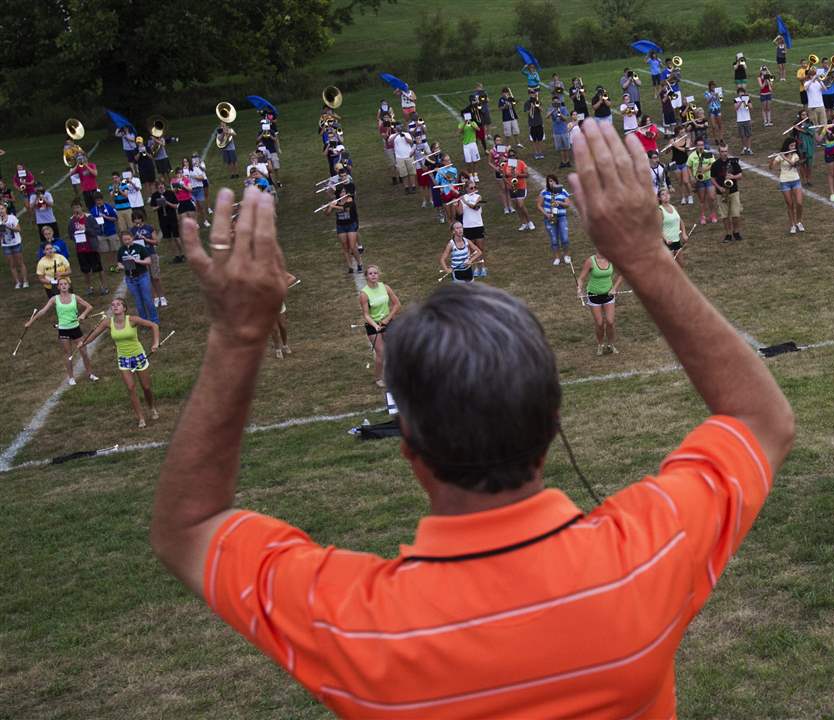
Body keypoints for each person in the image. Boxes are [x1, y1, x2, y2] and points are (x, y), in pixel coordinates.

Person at [149, 137, 795, 718]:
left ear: (411, 452)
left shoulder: (371, 632)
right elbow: (760, 418)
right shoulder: (640, 564)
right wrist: (647, 257)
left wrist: (237, 336)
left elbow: (188, 527)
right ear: (553, 424)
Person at [79, 297, 160, 425]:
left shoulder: (132, 320)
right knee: (130, 388)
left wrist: (155, 343)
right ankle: (141, 418)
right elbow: (94, 335)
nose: (115, 306)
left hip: (138, 356)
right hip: (123, 359)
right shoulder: (108, 322)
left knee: (146, 387)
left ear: (124, 308)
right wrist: (83, 343)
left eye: (118, 304)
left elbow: (154, 325)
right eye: (113, 305)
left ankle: (152, 408)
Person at [24, 277, 99, 385]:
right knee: (68, 354)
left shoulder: (74, 297)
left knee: (84, 353)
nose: (64, 286)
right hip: (63, 330)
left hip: (76, 328)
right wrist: (30, 322)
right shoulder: (55, 299)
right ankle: (71, 378)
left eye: (65, 284)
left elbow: (89, 306)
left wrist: (83, 315)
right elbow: (43, 311)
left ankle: (90, 374)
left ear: (69, 286)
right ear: (58, 287)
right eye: (61, 284)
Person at [359, 265, 401, 387]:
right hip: (373, 325)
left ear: (379, 275)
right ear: (366, 276)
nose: (373, 275)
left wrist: (387, 319)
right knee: (381, 352)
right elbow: (366, 314)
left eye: (375, 273)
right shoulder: (364, 294)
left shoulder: (385, 287)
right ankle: (378, 378)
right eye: (370, 273)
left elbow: (397, 304)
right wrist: (375, 325)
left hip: (388, 321)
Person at [576, 250, 623, 355]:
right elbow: (581, 278)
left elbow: (621, 274)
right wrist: (579, 289)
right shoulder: (590, 261)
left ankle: (611, 345)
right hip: (594, 295)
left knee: (610, 322)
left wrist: (615, 288)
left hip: (608, 295)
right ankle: (600, 345)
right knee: (599, 323)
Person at [117, 230, 159, 323]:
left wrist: (137, 260)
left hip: (142, 276)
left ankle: (155, 321)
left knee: (147, 299)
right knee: (138, 302)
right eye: (125, 240)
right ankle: (144, 321)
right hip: (130, 278)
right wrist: (121, 266)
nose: (127, 241)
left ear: (132, 238)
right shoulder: (121, 250)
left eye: (128, 239)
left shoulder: (140, 248)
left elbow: (148, 261)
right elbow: (119, 262)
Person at [326, 175, 362, 274]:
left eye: (344, 192)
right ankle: (350, 266)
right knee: (345, 246)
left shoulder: (350, 200)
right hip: (341, 225)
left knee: (352, 246)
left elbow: (346, 208)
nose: (343, 194)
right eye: (341, 192)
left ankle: (359, 263)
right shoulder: (335, 201)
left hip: (351, 224)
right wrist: (330, 207)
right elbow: (327, 214)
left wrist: (335, 206)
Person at [69, 201, 107, 295]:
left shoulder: (89, 218)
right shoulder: (71, 221)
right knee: (85, 270)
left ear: (81, 207)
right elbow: (70, 234)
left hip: (91, 248)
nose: (76, 210)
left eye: (77, 207)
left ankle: (104, 286)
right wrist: (76, 236)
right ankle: (89, 287)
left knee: (98, 268)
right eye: (74, 208)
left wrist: (85, 229)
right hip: (80, 249)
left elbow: (97, 231)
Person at [131, 211, 166, 307]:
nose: (137, 220)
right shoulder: (132, 230)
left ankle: (162, 297)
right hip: (141, 257)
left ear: (142, 218)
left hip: (151, 254)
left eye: (138, 218)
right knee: (148, 278)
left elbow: (156, 242)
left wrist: (146, 239)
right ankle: (154, 297)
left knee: (156, 277)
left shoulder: (149, 228)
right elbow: (130, 243)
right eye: (135, 219)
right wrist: (134, 239)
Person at [770, 139, 805, 234]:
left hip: (796, 181)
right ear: (787, 146)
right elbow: (771, 168)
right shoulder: (780, 156)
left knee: (799, 203)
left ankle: (799, 222)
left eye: (794, 146)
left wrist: (784, 158)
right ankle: (792, 224)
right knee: (790, 205)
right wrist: (773, 159)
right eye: (791, 146)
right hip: (785, 182)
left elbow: (794, 165)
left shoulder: (795, 155)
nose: (793, 148)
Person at [711, 144, 744, 243]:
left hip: (733, 191)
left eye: (726, 151)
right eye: (722, 151)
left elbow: (740, 175)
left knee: (736, 214)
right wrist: (719, 187)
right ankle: (728, 234)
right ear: (719, 152)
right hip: (721, 193)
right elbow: (712, 178)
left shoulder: (733, 163)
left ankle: (736, 232)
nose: (724, 153)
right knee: (724, 216)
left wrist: (732, 177)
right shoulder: (715, 164)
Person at [537, 174, 571, 266]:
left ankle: (567, 255)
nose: (551, 182)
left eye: (553, 181)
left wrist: (559, 202)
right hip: (549, 218)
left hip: (561, 217)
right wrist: (546, 214)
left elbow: (568, 204)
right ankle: (557, 257)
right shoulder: (544, 192)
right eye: (550, 181)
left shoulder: (562, 191)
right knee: (554, 239)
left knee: (565, 238)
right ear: (547, 182)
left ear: (557, 181)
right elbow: (539, 205)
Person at [460, 179, 488, 278]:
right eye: (471, 188)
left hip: (478, 225)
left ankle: (483, 267)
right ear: (466, 188)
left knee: (480, 248)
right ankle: (476, 268)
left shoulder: (478, 197)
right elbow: (460, 213)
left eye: (475, 187)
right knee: (472, 250)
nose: (473, 189)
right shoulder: (462, 198)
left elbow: (475, 207)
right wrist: (458, 203)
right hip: (467, 226)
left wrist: (465, 202)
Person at [500, 149, 533, 231]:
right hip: (512, 187)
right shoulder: (506, 165)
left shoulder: (521, 163)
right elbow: (504, 176)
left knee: (521, 205)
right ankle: (523, 223)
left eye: (513, 155)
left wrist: (518, 175)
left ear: (516, 155)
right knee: (517, 207)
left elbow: (527, 175)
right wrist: (508, 184)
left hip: (521, 186)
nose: (512, 157)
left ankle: (529, 222)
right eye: (510, 156)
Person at [150, 180, 183, 264]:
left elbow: (176, 206)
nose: (160, 186)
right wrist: (159, 205)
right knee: (168, 239)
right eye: (159, 185)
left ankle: (182, 253)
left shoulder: (170, 193)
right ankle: (176, 256)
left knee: (176, 237)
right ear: (157, 187)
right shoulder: (154, 195)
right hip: (162, 219)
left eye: (162, 185)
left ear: (164, 185)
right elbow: (153, 208)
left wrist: (167, 202)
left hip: (172, 217)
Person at [687, 140, 716, 225]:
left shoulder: (708, 153)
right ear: (696, 146)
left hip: (709, 178)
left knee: (711, 197)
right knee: (702, 200)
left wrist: (705, 169)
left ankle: (712, 214)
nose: (701, 147)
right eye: (699, 145)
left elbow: (713, 164)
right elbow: (688, 166)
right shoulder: (692, 156)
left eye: (702, 145)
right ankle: (703, 216)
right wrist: (691, 177)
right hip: (699, 180)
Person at [0, 201, 29, 288]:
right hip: (6, 245)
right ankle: (17, 282)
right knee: (12, 265)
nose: (1, 211)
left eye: (2, 209)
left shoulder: (12, 217)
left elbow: (18, 229)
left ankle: (25, 281)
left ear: (5, 209)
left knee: (20, 262)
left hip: (16, 243)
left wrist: (8, 227)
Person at [90, 192, 120, 272]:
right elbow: (91, 222)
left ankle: (117, 265)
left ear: (102, 199)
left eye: (99, 200)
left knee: (114, 250)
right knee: (105, 252)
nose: (98, 202)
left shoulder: (109, 207)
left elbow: (115, 218)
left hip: (111, 232)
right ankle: (111, 266)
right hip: (100, 234)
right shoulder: (93, 210)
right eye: (96, 200)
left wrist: (105, 217)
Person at [658, 188, 688, 266]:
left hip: (676, 240)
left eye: (667, 194)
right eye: (663, 194)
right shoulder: (660, 211)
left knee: (681, 264)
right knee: (669, 267)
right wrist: (666, 239)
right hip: (667, 243)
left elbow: (680, 222)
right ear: (659, 198)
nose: (666, 196)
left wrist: (684, 234)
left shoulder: (674, 208)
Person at [793, 110, 815, 186]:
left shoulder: (810, 123)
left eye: (805, 115)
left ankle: (809, 179)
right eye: (802, 115)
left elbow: (811, 132)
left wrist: (799, 129)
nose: (804, 116)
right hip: (800, 146)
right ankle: (804, 180)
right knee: (802, 164)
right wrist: (795, 129)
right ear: (800, 116)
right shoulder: (796, 124)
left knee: (809, 164)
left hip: (809, 145)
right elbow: (793, 136)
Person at [458, 111, 482, 181]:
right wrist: (465, 123)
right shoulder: (461, 124)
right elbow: (460, 131)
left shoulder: (473, 123)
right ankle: (470, 175)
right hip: (466, 145)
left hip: (473, 144)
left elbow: (478, 129)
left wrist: (471, 123)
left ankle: (475, 174)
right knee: (468, 161)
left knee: (475, 161)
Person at [548, 99, 572, 169]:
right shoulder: (551, 108)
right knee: (561, 148)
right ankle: (563, 161)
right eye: (555, 102)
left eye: (557, 102)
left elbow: (566, 118)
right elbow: (547, 116)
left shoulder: (563, 108)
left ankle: (567, 161)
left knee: (566, 147)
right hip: (556, 131)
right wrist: (553, 110)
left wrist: (560, 113)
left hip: (564, 131)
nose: (556, 103)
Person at [526, 93, 546, 160]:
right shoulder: (527, 103)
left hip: (539, 122)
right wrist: (532, 107)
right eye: (531, 94)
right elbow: (527, 112)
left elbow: (542, 110)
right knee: (534, 140)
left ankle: (540, 152)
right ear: (529, 95)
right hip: (532, 124)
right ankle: (536, 152)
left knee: (540, 139)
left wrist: (538, 106)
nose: (533, 95)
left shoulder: (538, 101)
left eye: (534, 94)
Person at [734, 88, 753, 155]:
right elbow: (736, 108)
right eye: (740, 92)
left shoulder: (747, 99)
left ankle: (749, 148)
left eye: (742, 92)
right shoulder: (736, 100)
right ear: (738, 93)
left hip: (747, 119)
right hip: (740, 120)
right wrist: (741, 101)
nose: (741, 93)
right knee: (742, 135)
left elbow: (750, 108)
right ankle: (744, 148)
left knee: (749, 135)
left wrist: (746, 102)